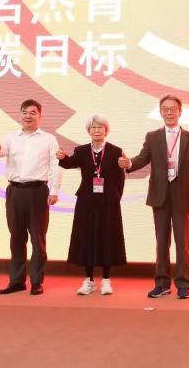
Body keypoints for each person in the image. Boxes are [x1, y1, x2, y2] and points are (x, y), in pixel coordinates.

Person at [118, 95, 189, 299]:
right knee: (161, 241)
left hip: (182, 194)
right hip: (160, 194)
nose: (169, 112)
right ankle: (162, 283)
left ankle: (183, 284)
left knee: (182, 242)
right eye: (165, 109)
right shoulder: (153, 136)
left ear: (180, 111)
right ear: (160, 111)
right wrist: (129, 164)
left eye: (173, 109)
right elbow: (142, 158)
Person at [0, 99, 61, 295]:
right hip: (14, 191)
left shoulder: (49, 139)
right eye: (24, 112)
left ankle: (37, 281)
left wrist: (54, 191)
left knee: (38, 239)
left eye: (32, 112)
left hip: (38, 192)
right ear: (20, 114)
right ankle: (17, 281)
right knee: (16, 238)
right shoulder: (11, 137)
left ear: (40, 115)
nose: (28, 116)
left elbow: (56, 166)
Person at [57, 114, 126, 296]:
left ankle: (106, 280)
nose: (96, 130)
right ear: (88, 131)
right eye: (93, 127)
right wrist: (62, 157)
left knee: (107, 238)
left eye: (100, 127)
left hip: (108, 203)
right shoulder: (81, 151)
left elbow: (120, 178)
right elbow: (68, 163)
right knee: (86, 238)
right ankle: (88, 280)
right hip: (86, 201)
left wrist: (116, 196)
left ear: (106, 130)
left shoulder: (116, 151)